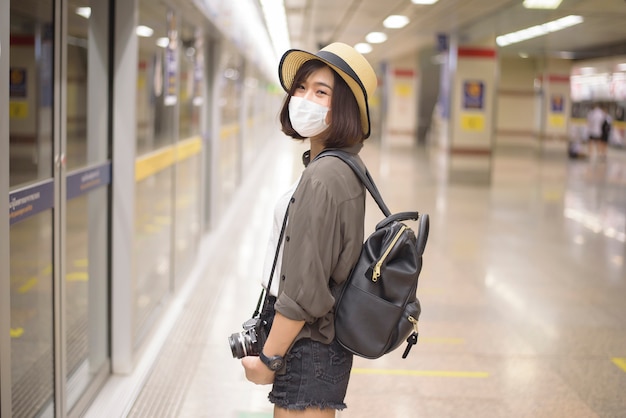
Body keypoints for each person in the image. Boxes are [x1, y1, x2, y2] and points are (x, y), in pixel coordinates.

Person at [241, 42, 377, 417]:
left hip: (307, 346)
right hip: (315, 346)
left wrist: (269, 359)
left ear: (345, 107)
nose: (304, 99)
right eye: (301, 88)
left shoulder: (325, 176)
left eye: (321, 92)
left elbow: (305, 290)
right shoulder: (339, 165)